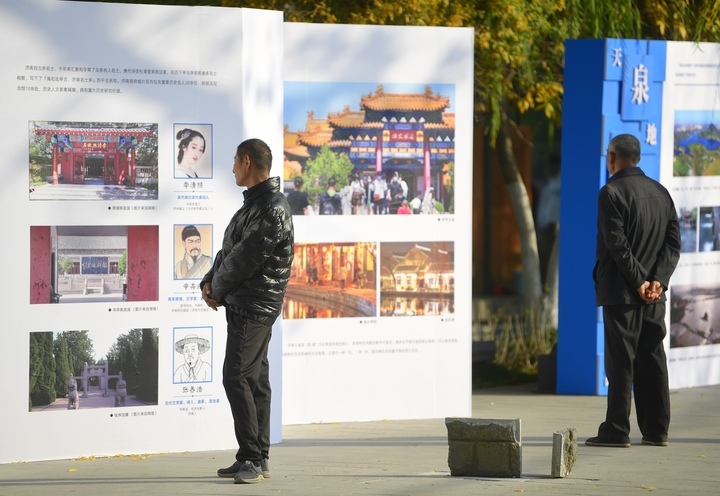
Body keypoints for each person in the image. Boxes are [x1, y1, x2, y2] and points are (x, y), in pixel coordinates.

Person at [201, 138, 294, 484]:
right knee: (254, 380)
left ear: (247, 161)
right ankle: (257, 456)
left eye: (235, 162)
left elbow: (245, 259)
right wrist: (208, 282)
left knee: (236, 376)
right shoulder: (254, 205)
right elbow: (230, 249)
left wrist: (218, 289)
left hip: (256, 304)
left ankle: (252, 459)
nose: (231, 169)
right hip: (245, 302)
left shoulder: (272, 207)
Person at [585, 134, 681, 449]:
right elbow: (672, 244)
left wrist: (639, 281)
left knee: (621, 361)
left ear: (612, 157)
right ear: (637, 158)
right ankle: (657, 430)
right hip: (654, 294)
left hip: (623, 293)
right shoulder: (661, 192)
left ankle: (616, 430)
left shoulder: (610, 193)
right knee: (652, 357)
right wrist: (658, 280)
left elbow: (617, 244)